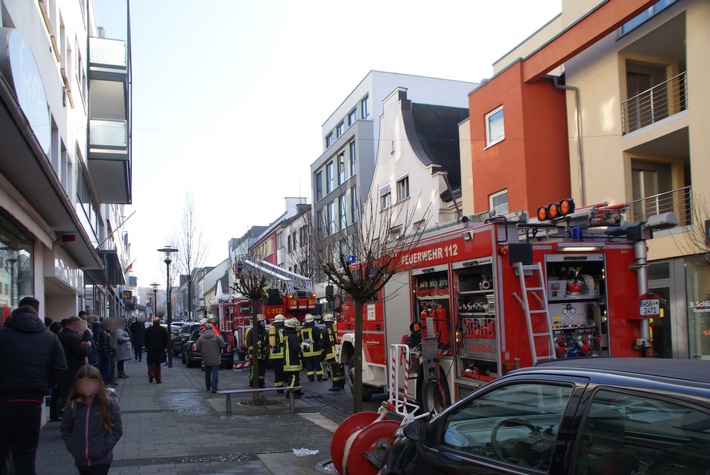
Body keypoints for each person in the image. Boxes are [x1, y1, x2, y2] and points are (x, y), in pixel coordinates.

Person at [0, 297, 67, 474]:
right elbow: (60, 367)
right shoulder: (49, 337)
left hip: (4, 399)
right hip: (32, 400)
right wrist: (46, 385)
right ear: (36, 313)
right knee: (26, 453)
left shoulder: (3, 334)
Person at [60, 365, 122, 475]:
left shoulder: (107, 403)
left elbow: (117, 429)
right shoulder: (73, 405)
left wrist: (105, 447)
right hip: (81, 458)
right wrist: (73, 447)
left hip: (101, 458)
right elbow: (66, 428)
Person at [54, 316, 92, 421]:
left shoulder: (60, 335)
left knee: (62, 394)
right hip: (73, 370)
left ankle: (60, 414)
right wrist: (87, 347)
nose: (80, 327)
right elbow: (81, 352)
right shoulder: (72, 337)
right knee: (71, 395)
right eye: (79, 325)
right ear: (74, 324)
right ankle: (71, 418)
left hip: (65, 370)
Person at [196, 323, 225, 393]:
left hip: (206, 357)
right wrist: (218, 348)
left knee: (207, 372)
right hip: (215, 357)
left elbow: (198, 347)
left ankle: (208, 386)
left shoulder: (201, 338)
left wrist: (202, 351)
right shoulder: (216, 337)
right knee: (215, 373)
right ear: (212, 329)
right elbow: (222, 344)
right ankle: (214, 387)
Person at [323, 313, 346, 391]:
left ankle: (336, 385)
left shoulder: (325, 330)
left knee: (333, 369)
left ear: (325, 322)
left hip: (330, 352)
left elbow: (322, 342)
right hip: (339, 351)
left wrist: (322, 352)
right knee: (341, 367)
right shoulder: (337, 328)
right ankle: (342, 383)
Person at [244, 314, 268, 388]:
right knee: (254, 368)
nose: (263, 324)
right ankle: (252, 382)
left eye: (263, 322)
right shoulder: (252, 332)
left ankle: (261, 383)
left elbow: (265, 341)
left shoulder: (263, 331)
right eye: (261, 322)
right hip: (254, 354)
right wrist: (253, 352)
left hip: (262, 353)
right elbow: (249, 343)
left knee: (262, 369)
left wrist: (265, 347)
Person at [283, 318, 304, 398]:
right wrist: (303, 347)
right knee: (294, 378)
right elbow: (296, 348)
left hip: (287, 361)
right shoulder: (293, 337)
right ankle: (290, 393)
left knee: (293, 378)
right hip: (293, 361)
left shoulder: (286, 336)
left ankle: (297, 391)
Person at [300, 314, 324, 382]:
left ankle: (311, 378)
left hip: (306, 352)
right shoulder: (315, 328)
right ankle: (320, 378)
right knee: (318, 365)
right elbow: (318, 337)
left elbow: (301, 340)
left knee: (309, 366)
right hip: (316, 351)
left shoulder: (302, 329)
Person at [144, 318, 168, 384]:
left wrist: (147, 346)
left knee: (150, 362)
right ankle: (158, 379)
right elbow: (166, 340)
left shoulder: (148, 330)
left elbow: (145, 339)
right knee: (158, 364)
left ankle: (151, 373)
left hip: (151, 348)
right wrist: (164, 347)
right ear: (159, 322)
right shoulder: (163, 330)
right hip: (160, 349)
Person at [268, 314, 286, 393]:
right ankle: (287, 387)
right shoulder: (284, 329)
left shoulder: (271, 329)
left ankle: (279, 389)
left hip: (273, 355)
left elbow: (267, 341)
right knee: (284, 372)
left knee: (277, 373)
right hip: (282, 355)